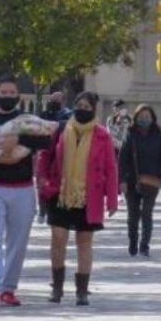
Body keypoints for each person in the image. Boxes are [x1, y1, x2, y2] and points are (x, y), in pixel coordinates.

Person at [0, 76, 53, 308]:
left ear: (17, 96)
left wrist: (19, 140)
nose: (7, 96)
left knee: (18, 241)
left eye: (11, 92)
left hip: (22, 189)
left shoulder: (25, 122)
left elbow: (46, 141)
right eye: (3, 92)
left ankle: (8, 289)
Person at [36, 91, 118, 305]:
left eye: (87, 106)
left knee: (84, 242)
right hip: (60, 192)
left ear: (93, 110)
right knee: (58, 239)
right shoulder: (61, 129)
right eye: (79, 105)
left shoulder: (102, 135)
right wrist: (42, 180)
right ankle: (57, 288)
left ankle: (82, 291)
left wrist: (112, 200)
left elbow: (111, 167)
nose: (82, 109)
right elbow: (45, 156)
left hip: (88, 196)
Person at [118, 104, 161, 257]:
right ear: (136, 118)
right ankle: (133, 243)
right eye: (141, 116)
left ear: (152, 118)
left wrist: (158, 174)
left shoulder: (158, 134)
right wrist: (122, 180)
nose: (144, 119)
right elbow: (122, 159)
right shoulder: (130, 133)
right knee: (133, 215)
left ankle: (144, 245)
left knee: (147, 213)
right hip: (132, 180)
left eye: (147, 116)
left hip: (151, 181)